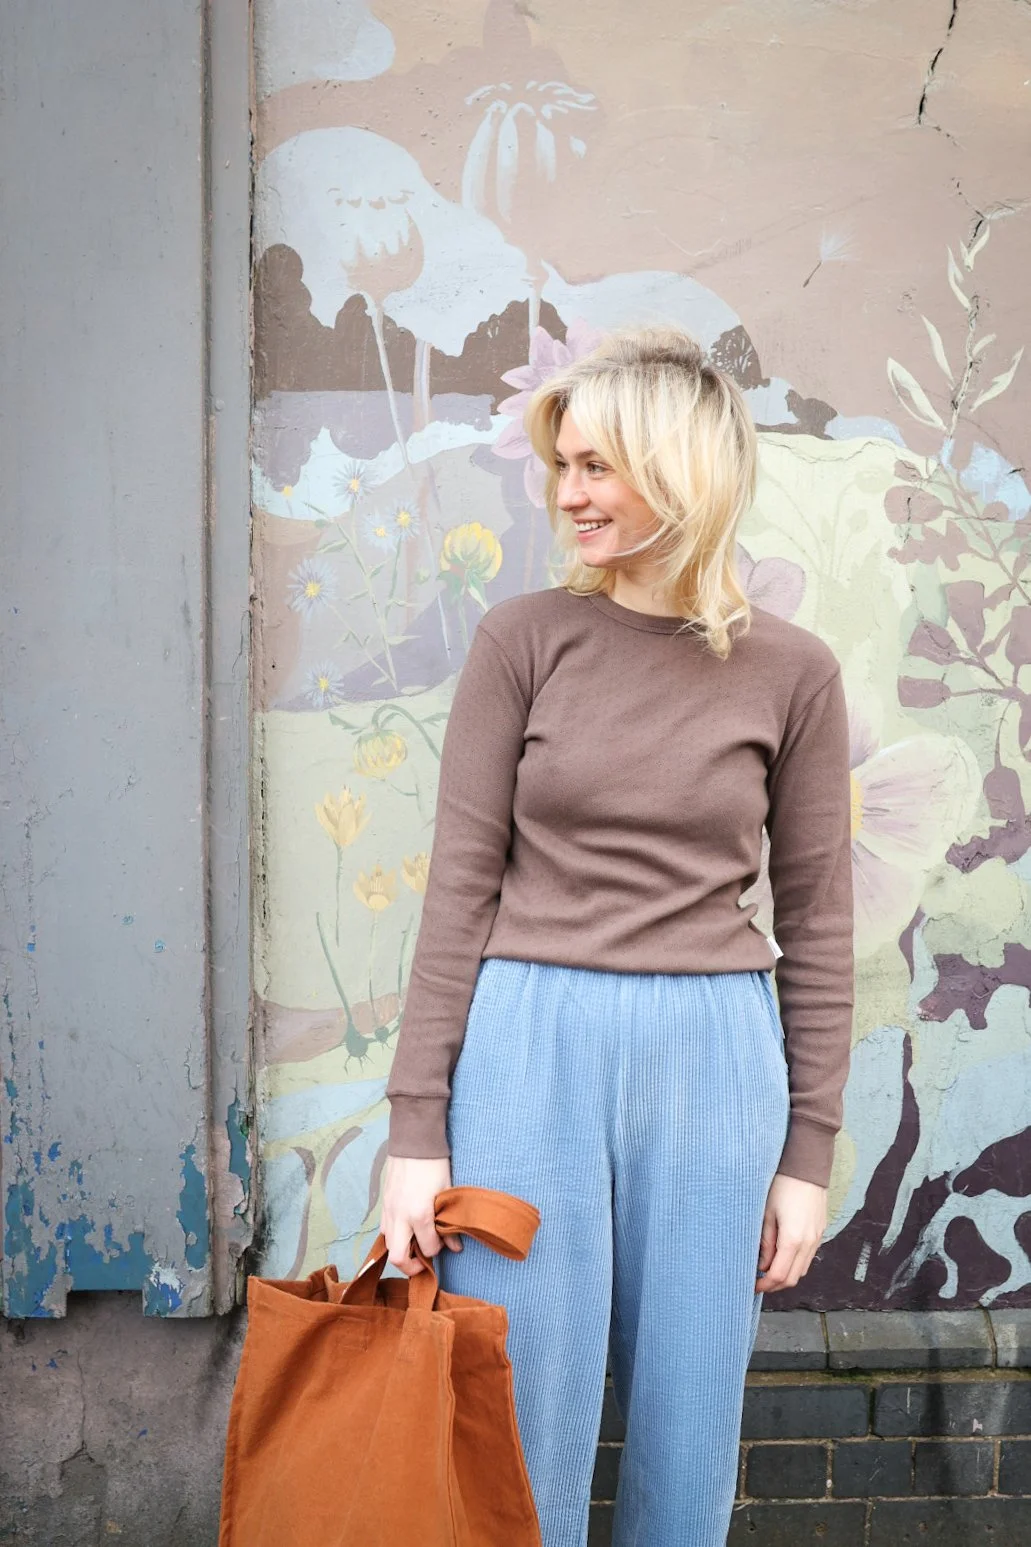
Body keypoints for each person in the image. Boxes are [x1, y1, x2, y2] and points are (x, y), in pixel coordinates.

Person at [381, 325, 854, 1547]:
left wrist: (806, 1154)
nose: (567, 494)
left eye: (596, 466)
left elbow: (816, 919)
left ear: (677, 470)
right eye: (562, 466)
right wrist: (414, 1131)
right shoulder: (523, 640)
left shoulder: (792, 671)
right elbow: (457, 889)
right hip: (526, 1043)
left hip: (714, 1054)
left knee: (689, 1413)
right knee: (514, 1396)